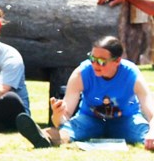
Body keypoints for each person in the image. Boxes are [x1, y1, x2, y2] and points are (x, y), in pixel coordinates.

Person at [15, 35, 154, 150]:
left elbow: (150, 110)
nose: (95, 65)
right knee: (67, 131)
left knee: (147, 135)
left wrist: (152, 133)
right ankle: (44, 138)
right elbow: (65, 116)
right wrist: (57, 115)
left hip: (126, 119)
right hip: (90, 119)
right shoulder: (82, 73)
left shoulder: (131, 73)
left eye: (101, 61)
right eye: (92, 59)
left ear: (117, 60)